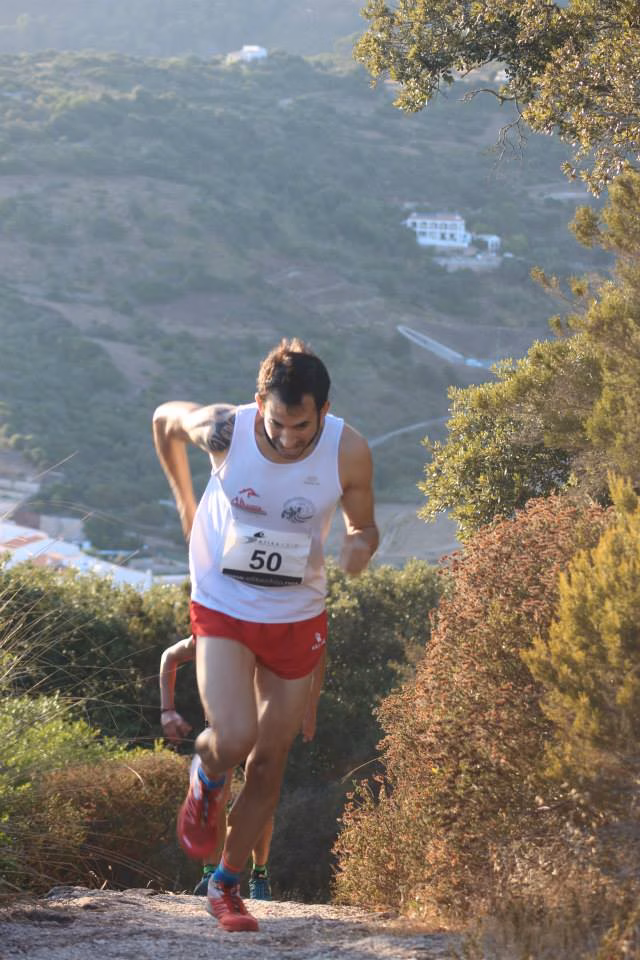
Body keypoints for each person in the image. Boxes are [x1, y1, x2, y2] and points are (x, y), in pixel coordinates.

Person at [152, 337, 378, 932]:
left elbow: (364, 524)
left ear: (323, 413)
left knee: (270, 762)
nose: (288, 438)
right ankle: (205, 776)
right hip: (224, 603)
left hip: (296, 616)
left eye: (302, 426)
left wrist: (361, 543)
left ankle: (226, 886)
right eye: (278, 424)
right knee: (231, 736)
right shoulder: (225, 430)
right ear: (260, 404)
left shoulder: (347, 451)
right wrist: (184, 502)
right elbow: (162, 421)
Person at [159, 633, 326, 898]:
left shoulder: (270, 627)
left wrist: (310, 709)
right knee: (216, 797)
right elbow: (169, 655)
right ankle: (210, 874)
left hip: (262, 723)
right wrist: (166, 709)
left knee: (258, 792)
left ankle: (259, 874)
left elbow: (315, 651)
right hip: (220, 725)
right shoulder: (213, 632)